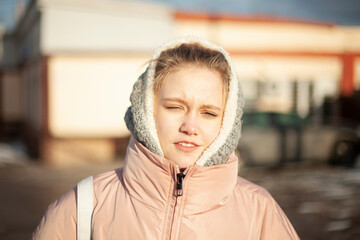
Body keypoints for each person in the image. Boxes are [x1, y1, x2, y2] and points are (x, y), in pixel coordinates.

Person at [33, 37, 300, 239]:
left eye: (208, 112)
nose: (190, 126)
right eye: (174, 107)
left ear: (227, 122)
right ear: (147, 111)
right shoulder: (84, 206)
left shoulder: (258, 210)